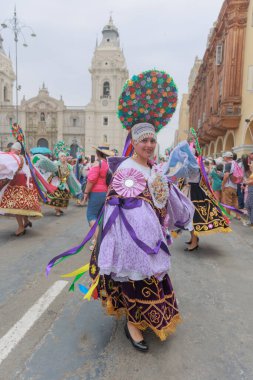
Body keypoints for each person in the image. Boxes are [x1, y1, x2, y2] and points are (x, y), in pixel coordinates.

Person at [47, 70, 195, 351]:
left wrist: (175, 214)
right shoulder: (125, 168)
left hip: (153, 238)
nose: (149, 145)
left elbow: (164, 198)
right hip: (132, 242)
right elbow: (116, 206)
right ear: (134, 142)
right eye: (144, 141)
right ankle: (132, 326)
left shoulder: (154, 168)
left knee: (153, 280)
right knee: (135, 283)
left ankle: (146, 319)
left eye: (152, 140)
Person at [0, 142, 42, 235]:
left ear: (18, 151)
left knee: (17, 206)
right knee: (23, 205)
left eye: (13, 150)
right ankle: (26, 221)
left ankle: (21, 227)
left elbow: (9, 168)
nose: (11, 152)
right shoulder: (24, 158)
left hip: (19, 184)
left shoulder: (17, 158)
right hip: (24, 184)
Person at [82, 145, 114, 250]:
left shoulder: (97, 164)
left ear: (98, 154)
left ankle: (100, 243)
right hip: (106, 193)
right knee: (100, 217)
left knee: (91, 216)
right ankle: (97, 240)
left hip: (96, 193)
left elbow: (91, 180)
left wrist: (86, 193)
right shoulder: (109, 165)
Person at [34, 150, 81, 216]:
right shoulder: (55, 164)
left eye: (64, 156)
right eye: (62, 156)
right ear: (59, 158)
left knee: (64, 196)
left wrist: (74, 185)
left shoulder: (69, 166)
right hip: (56, 182)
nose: (64, 157)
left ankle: (59, 208)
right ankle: (57, 210)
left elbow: (71, 177)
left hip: (64, 183)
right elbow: (50, 171)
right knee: (56, 196)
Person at [222, 151, 241, 220]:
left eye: (224, 157)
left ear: (227, 157)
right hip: (235, 185)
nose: (224, 158)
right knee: (235, 201)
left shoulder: (228, 164)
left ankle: (227, 216)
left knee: (228, 201)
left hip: (228, 185)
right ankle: (238, 216)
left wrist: (223, 184)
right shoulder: (235, 163)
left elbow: (226, 175)